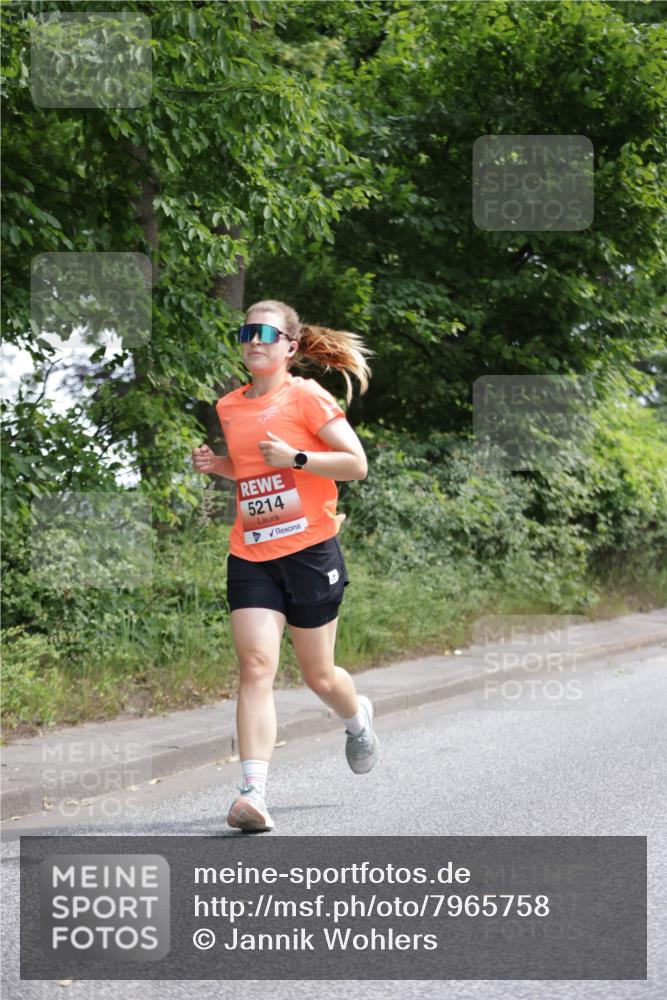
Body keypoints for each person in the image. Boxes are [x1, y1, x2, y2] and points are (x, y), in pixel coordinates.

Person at [192, 299, 379, 832]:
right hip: (251, 551)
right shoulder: (230, 406)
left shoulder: (308, 398)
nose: (254, 339)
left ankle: (356, 716)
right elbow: (254, 472)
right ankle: (253, 793)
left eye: (266, 333)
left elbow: (355, 464)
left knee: (320, 676)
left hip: (309, 550)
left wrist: (297, 458)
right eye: (247, 331)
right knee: (255, 667)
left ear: (290, 347)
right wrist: (219, 466)